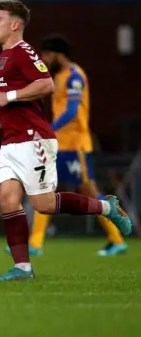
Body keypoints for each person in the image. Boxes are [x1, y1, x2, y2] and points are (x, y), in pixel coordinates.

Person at [0, 0, 132, 281]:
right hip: (11, 139)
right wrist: (4, 113)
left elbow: (45, 85)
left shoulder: (25, 52)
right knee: (8, 199)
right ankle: (22, 268)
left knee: (42, 203)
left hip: (34, 140)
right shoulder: (4, 57)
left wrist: (9, 97)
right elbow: (21, 96)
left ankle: (107, 207)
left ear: (15, 24)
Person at [25, 34, 126, 256]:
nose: (45, 59)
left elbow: (71, 112)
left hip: (76, 145)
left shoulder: (74, 77)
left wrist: (49, 128)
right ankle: (35, 244)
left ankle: (117, 239)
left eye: (48, 54)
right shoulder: (60, 76)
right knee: (45, 187)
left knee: (90, 193)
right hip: (60, 144)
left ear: (58, 54)